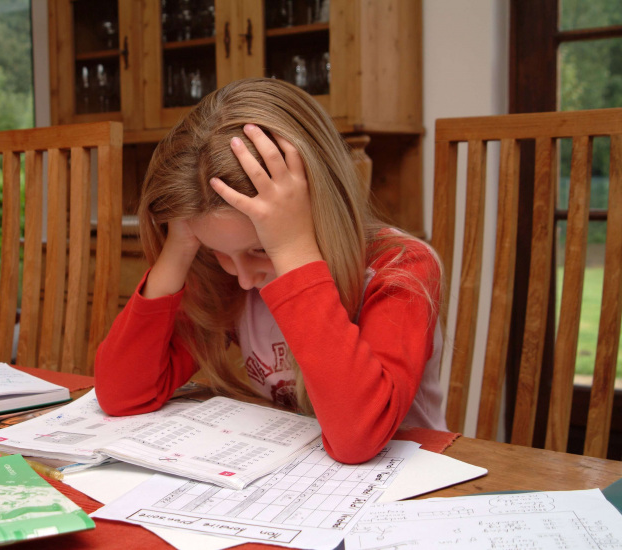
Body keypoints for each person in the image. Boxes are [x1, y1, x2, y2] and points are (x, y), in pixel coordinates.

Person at [94, 77, 446, 464]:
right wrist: (179, 248)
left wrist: (292, 250)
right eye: (218, 251)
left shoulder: (400, 267)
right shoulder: (228, 275)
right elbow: (123, 394)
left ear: (317, 209)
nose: (244, 278)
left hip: (402, 487)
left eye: (261, 250)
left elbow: (358, 437)